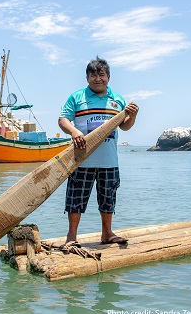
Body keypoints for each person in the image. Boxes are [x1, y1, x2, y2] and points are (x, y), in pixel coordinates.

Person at [58, 56, 139, 247]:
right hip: (81, 160)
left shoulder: (118, 99)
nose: (97, 79)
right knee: (75, 198)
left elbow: (125, 127)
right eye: (93, 75)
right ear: (87, 78)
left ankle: (107, 233)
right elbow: (63, 120)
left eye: (101, 75)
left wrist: (133, 116)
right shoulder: (77, 97)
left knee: (108, 198)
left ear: (108, 77)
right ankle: (71, 236)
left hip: (109, 161)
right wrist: (75, 131)